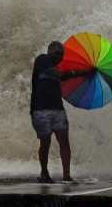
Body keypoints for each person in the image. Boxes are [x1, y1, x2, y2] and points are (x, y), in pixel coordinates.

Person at [30, 41, 92, 183]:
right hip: (40, 110)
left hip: (58, 109)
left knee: (64, 142)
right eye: (57, 54)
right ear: (50, 51)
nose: (59, 57)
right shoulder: (42, 60)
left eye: (61, 55)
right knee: (45, 143)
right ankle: (44, 173)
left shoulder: (55, 67)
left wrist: (85, 72)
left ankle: (66, 175)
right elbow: (58, 74)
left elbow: (62, 76)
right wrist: (76, 72)